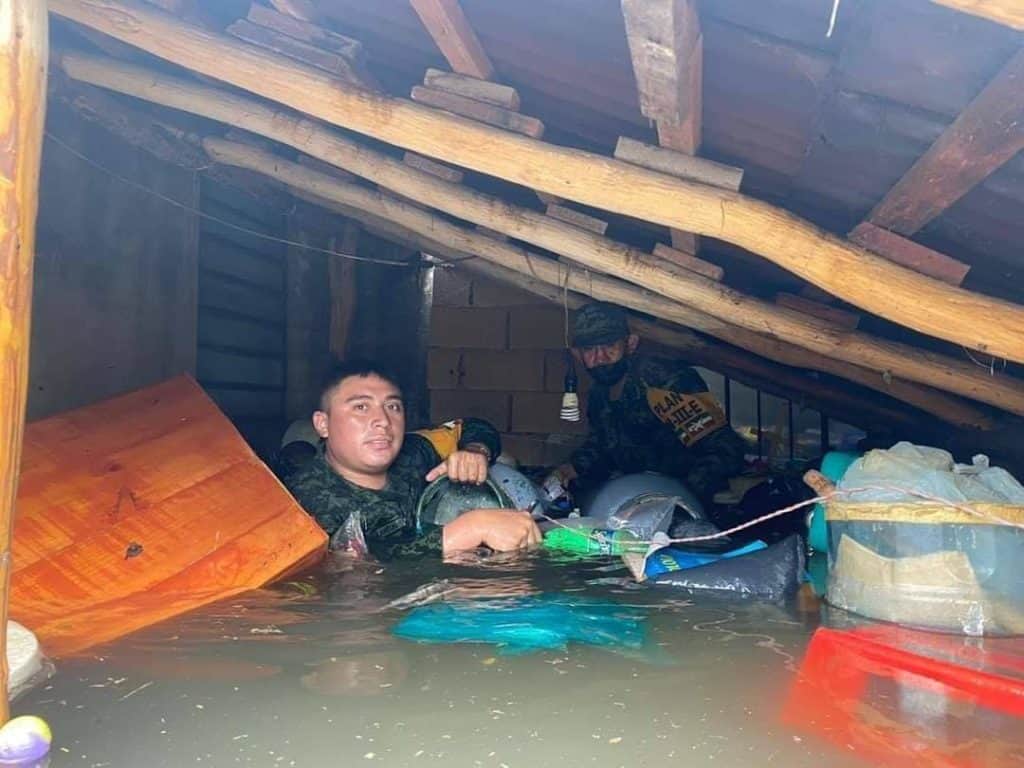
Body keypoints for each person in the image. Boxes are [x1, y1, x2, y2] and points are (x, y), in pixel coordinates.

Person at [285, 359, 540, 559]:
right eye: (361, 407)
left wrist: (475, 452)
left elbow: (474, 426)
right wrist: (470, 530)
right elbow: (350, 568)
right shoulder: (301, 501)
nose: (383, 421)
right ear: (323, 424)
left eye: (393, 407)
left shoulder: (414, 451)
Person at [546, 302, 746, 506]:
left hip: (683, 503)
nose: (600, 358)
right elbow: (604, 446)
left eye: (609, 346)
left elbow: (726, 449)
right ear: (577, 354)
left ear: (631, 344)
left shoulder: (663, 381)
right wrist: (571, 469)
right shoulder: (600, 392)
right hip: (636, 499)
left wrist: (681, 496)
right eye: (589, 349)